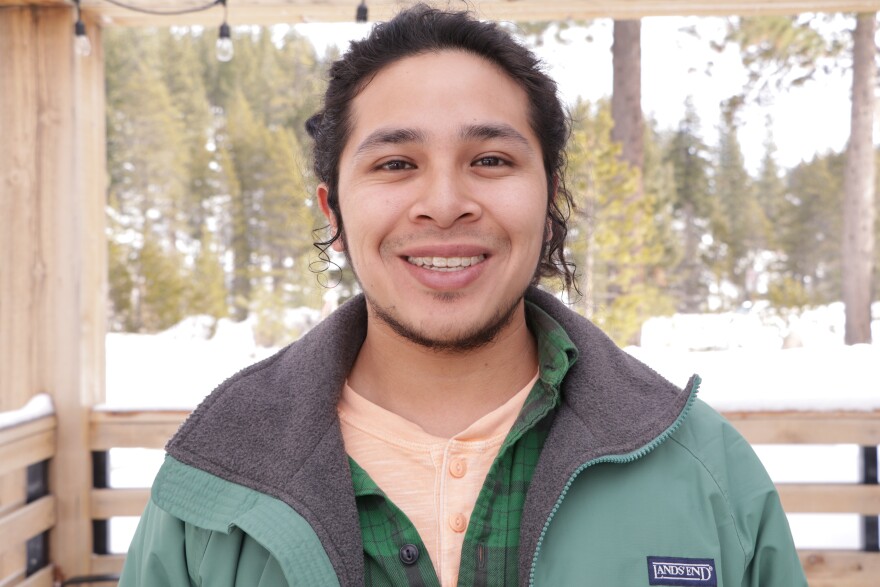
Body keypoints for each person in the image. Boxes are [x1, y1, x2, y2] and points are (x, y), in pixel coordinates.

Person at [120, 4, 807, 586]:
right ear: (332, 213)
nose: (445, 204)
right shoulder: (210, 486)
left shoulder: (707, 471)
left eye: (490, 161)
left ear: (549, 197)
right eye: (395, 164)